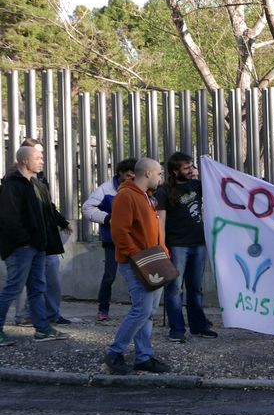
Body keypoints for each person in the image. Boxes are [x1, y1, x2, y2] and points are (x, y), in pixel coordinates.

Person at [103, 157, 171, 374]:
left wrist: (162, 252)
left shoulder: (145, 195)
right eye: (159, 173)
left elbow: (152, 230)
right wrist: (137, 256)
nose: (161, 177)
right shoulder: (126, 195)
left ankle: (143, 357)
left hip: (152, 261)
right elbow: (119, 233)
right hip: (138, 263)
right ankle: (114, 352)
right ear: (148, 173)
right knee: (142, 310)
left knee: (148, 311)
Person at [0, 146, 71, 346]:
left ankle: (42, 328)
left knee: (37, 288)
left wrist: (61, 223)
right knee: (13, 288)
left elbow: (47, 209)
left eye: (42, 157)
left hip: (38, 246)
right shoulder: (12, 185)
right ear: (24, 160)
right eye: (38, 158)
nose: (42, 161)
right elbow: (9, 218)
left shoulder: (37, 184)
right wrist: (24, 241)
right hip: (21, 248)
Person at [155, 152, 217, 343]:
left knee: (196, 287)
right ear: (175, 171)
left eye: (192, 166)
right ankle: (177, 329)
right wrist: (161, 244)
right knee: (175, 289)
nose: (191, 170)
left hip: (198, 243)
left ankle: (198, 326)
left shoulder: (196, 185)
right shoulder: (164, 190)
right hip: (176, 245)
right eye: (187, 167)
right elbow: (160, 219)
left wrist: (206, 167)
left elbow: (217, 187)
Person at [83, 157, 137, 322]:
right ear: (120, 173)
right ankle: (103, 309)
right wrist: (108, 219)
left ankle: (138, 309)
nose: (131, 179)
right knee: (109, 275)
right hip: (112, 240)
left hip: (135, 240)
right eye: (128, 175)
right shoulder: (105, 189)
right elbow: (87, 208)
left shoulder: (139, 187)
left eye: (134, 176)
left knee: (137, 276)